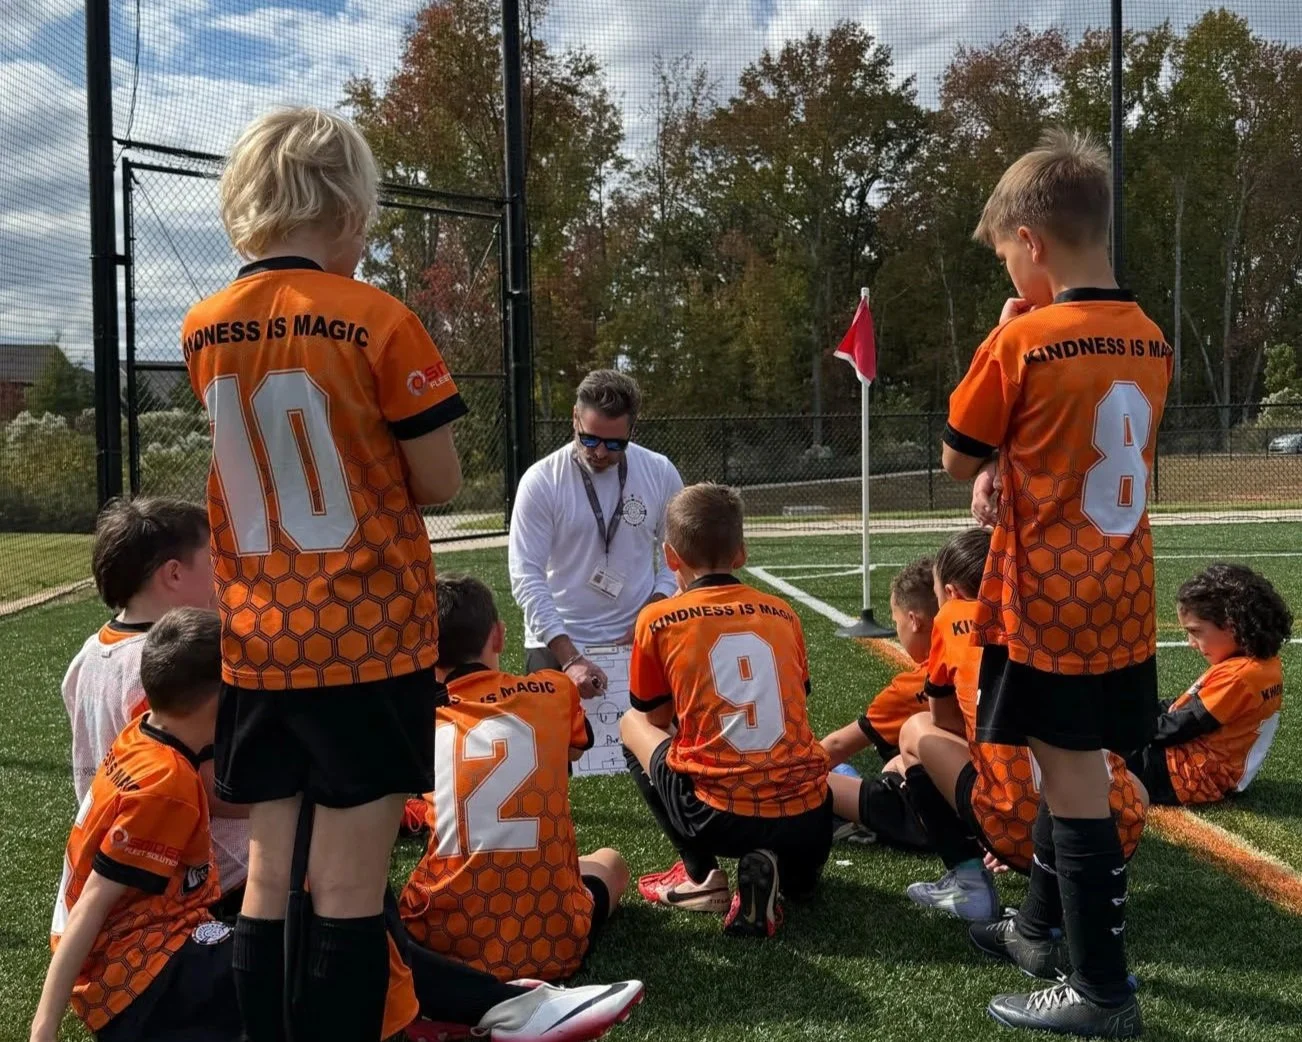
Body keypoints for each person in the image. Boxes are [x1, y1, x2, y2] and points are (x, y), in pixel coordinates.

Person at [184, 106, 470, 1042]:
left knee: (268, 877)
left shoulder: (202, 326)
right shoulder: (377, 317)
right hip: (367, 634)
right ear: (348, 206)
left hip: (259, 640)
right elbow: (439, 479)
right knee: (348, 885)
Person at [37, 609, 645, 1042]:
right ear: (224, 699)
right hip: (142, 987)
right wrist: (42, 1031)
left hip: (138, 971)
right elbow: (93, 907)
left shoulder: (145, 743)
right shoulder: (164, 784)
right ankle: (506, 1009)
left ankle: (483, 1008)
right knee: (342, 941)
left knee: (318, 919)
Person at [942, 128, 1172, 1037]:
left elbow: (959, 451)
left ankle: (1103, 992)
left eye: (1008, 257)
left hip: (1047, 602)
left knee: (1070, 779)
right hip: (1122, 592)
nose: (1012, 275)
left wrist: (1003, 334)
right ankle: (1038, 929)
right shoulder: (1149, 336)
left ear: (1031, 242)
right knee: (1062, 764)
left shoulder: (1028, 339)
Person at [895, 528, 1146, 930]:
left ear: (953, 591)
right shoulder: (1059, 608)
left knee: (914, 731)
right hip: (1116, 827)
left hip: (1019, 831)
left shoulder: (956, 616)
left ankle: (968, 881)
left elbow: (942, 720)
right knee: (1121, 773)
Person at [620, 483, 832, 938]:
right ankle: (780, 871)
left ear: (671, 556)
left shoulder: (656, 620)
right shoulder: (784, 614)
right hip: (809, 816)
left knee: (629, 725)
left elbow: (654, 720)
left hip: (718, 818)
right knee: (803, 889)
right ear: (741, 552)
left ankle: (702, 875)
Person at [400, 575, 630, 982]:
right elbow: (573, 750)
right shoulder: (555, 689)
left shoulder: (414, 717)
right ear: (499, 635)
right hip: (553, 939)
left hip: (439, 939)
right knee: (610, 861)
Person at [61, 496, 249, 911]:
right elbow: (212, 788)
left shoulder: (88, 655)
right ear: (175, 574)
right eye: (214, 562)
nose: (222, 578)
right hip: (200, 874)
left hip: (126, 855)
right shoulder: (166, 666)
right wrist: (283, 792)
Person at [509, 370, 683, 697]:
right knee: (559, 749)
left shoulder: (659, 472)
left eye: (615, 444)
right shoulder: (541, 480)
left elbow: (676, 558)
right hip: (557, 643)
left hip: (638, 640)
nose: (600, 452)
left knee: (645, 746)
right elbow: (525, 575)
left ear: (633, 429)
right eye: (590, 439)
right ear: (575, 418)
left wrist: (651, 616)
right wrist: (570, 657)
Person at [1127, 564, 1290, 806]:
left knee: (1092, 759)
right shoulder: (1260, 665)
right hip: (1196, 769)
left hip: (1186, 776)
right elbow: (1184, 707)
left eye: (1196, 632)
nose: (1191, 643)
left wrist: (1120, 729)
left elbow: (1180, 727)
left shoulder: (1241, 677)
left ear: (1232, 624)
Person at [821, 557, 935, 850]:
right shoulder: (980, 658)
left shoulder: (912, 687)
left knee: (816, 780)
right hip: (996, 794)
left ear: (914, 620)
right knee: (898, 762)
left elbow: (835, 747)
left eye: (896, 622)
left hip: (942, 819)